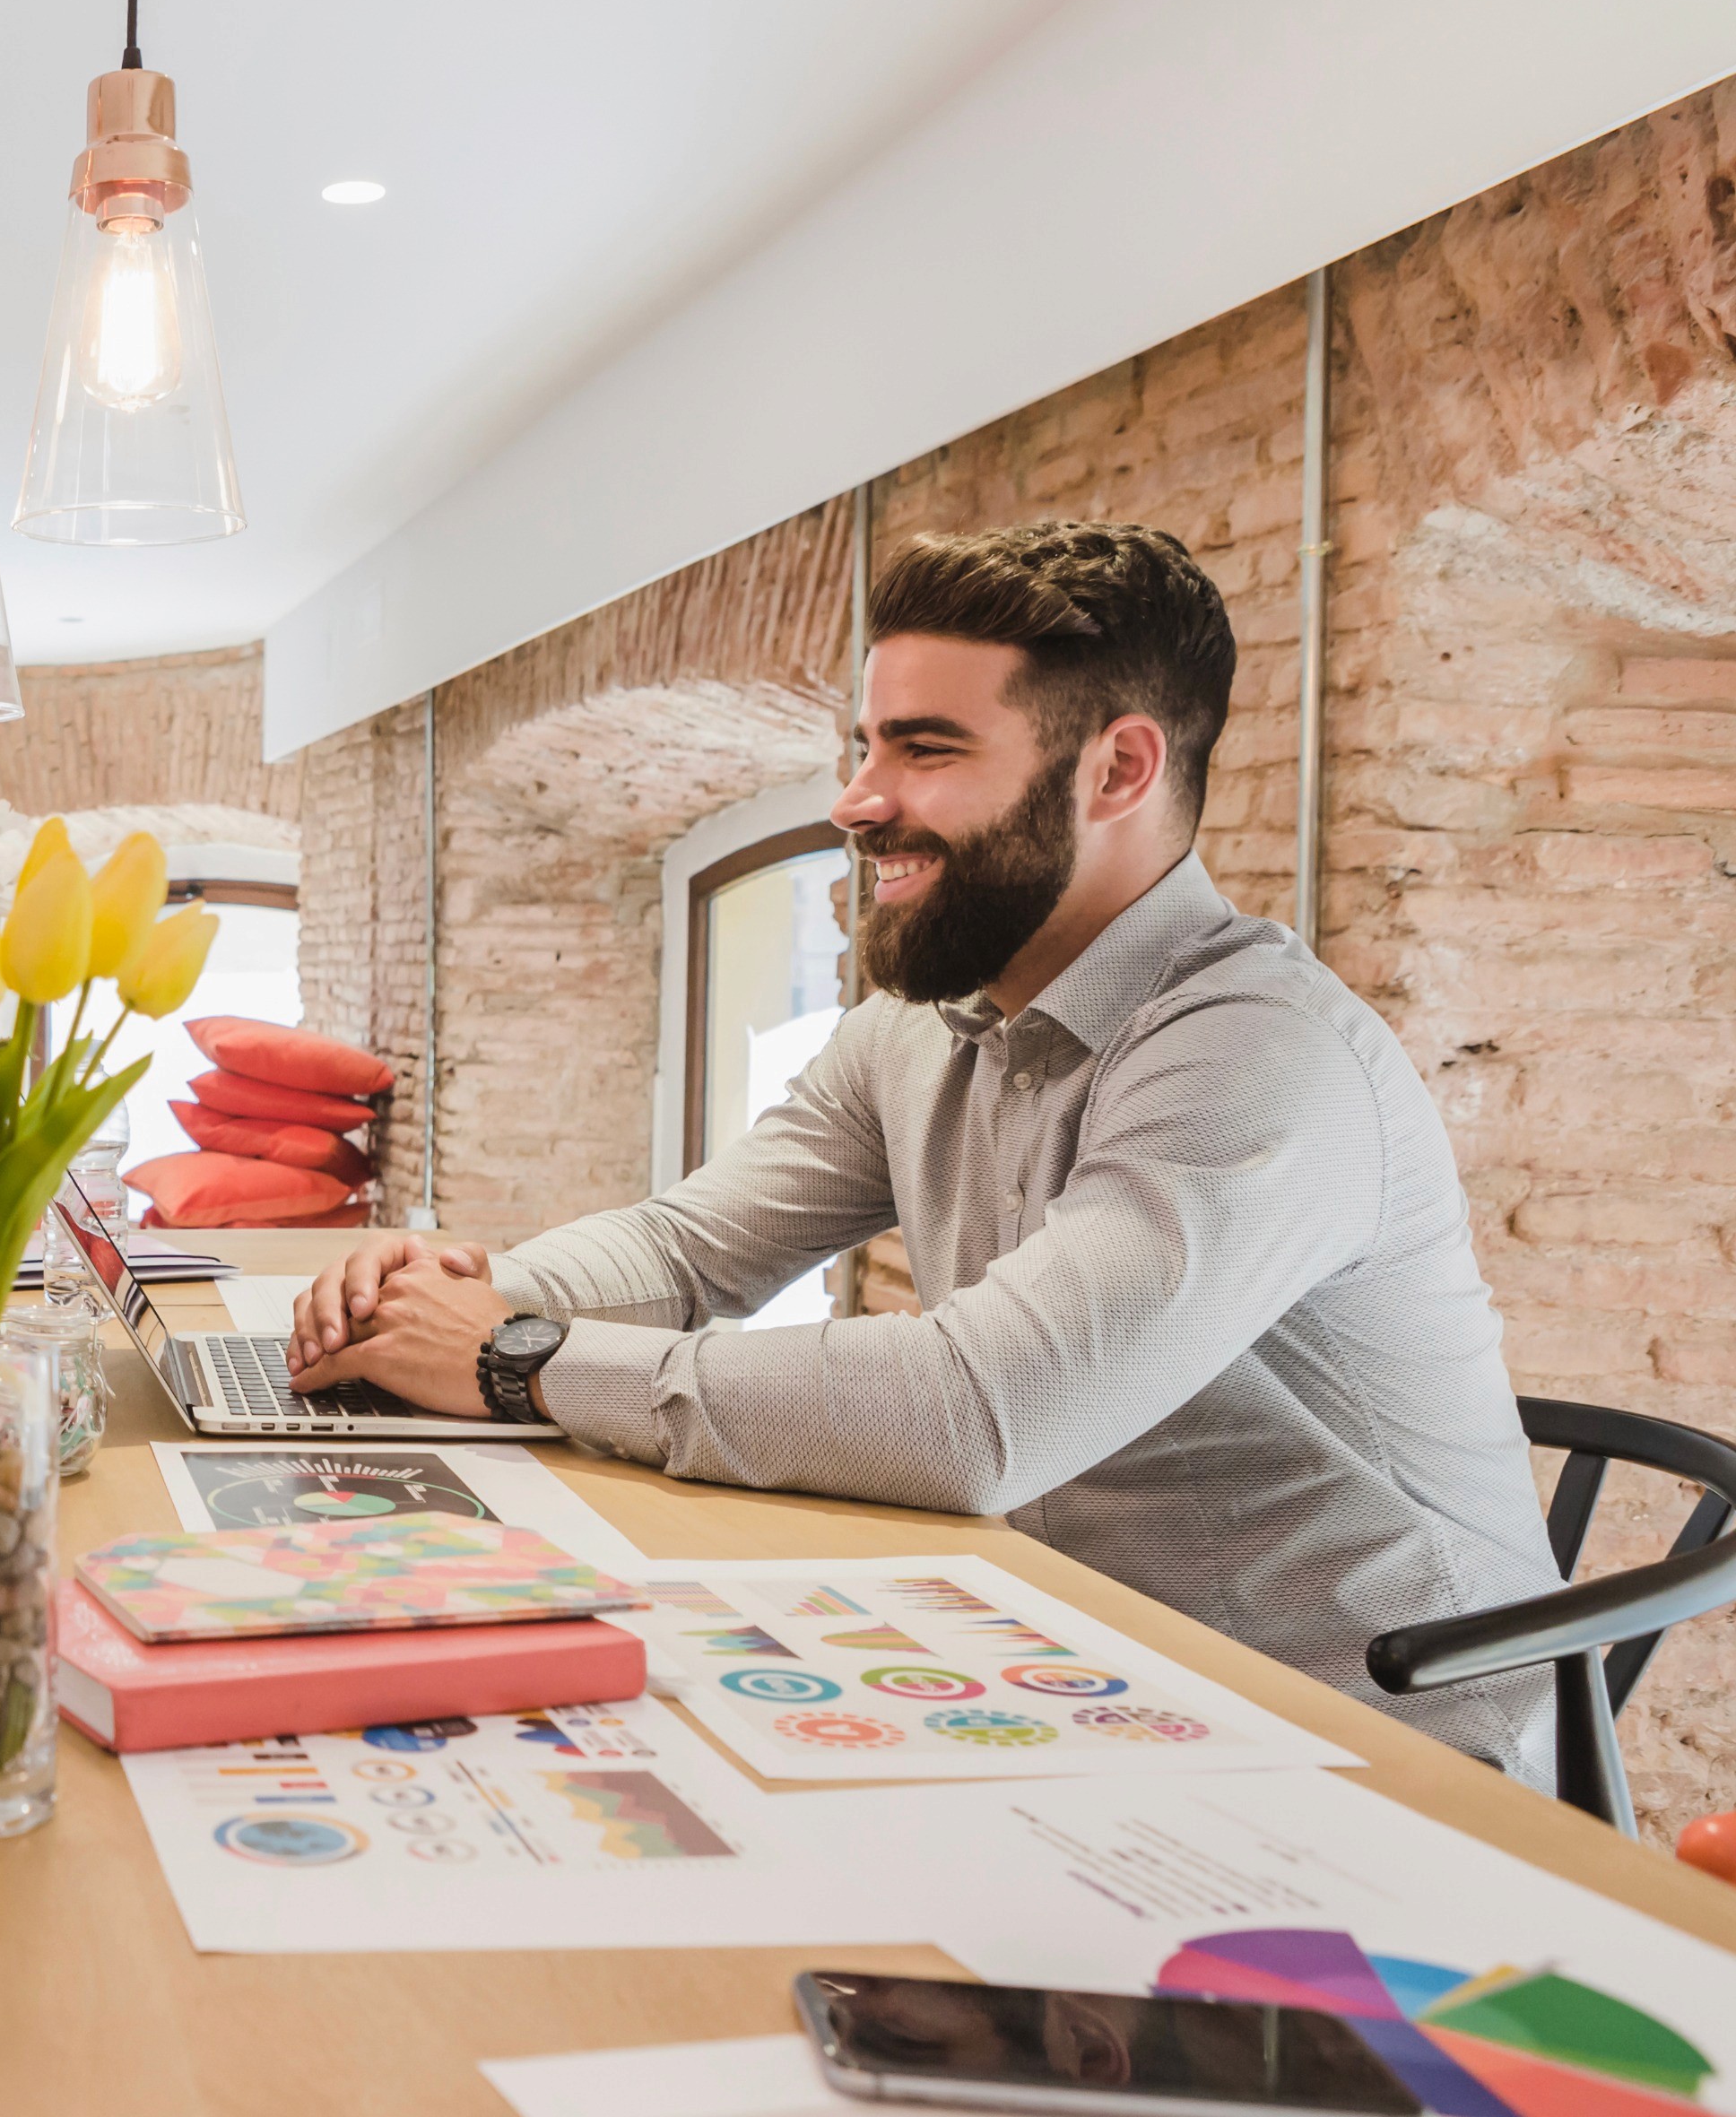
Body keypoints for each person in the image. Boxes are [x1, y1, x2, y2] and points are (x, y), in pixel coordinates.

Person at [291, 519, 1559, 1774]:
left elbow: (980, 1410)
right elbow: (692, 1248)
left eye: (927, 750)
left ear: (1118, 771)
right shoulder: (926, 1025)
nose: (858, 800)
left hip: (1380, 1758)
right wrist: (472, 1296)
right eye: (866, 746)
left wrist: (522, 1361)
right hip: (1095, 1678)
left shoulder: (1259, 1055)